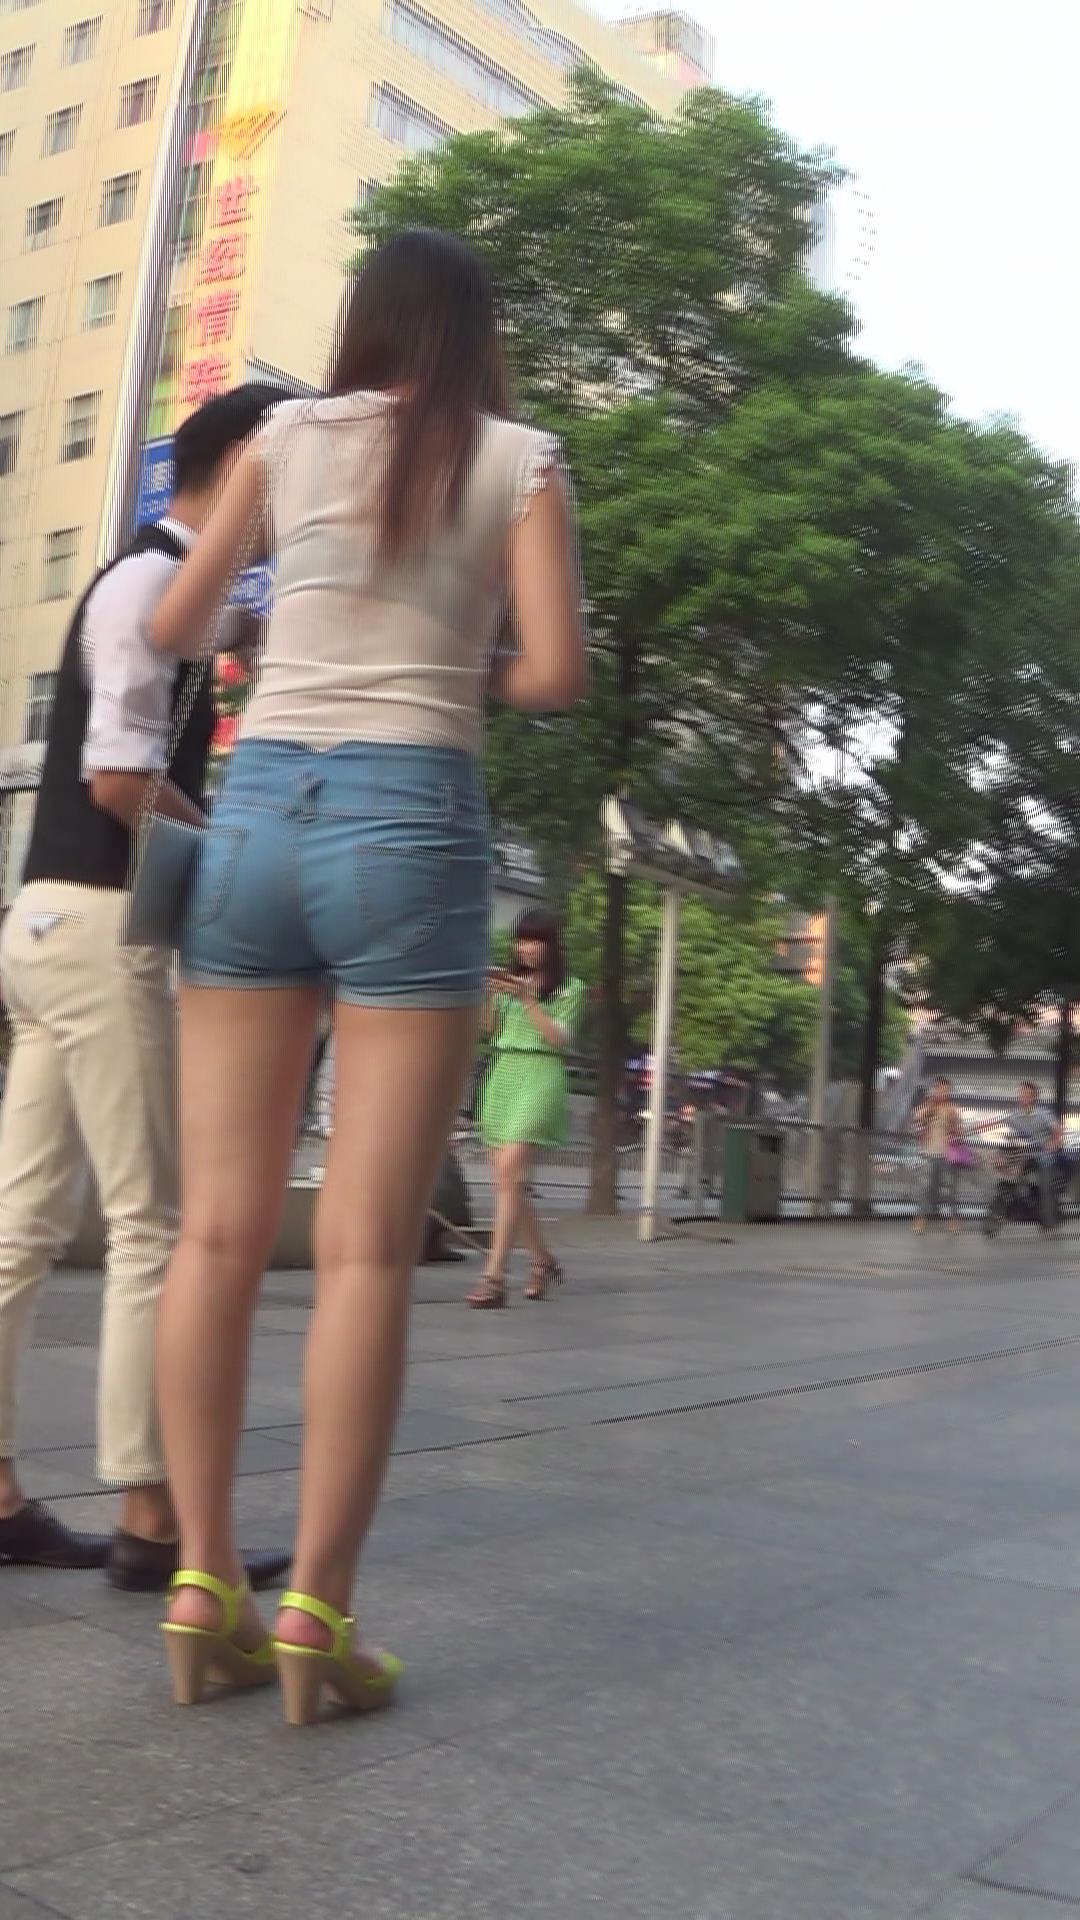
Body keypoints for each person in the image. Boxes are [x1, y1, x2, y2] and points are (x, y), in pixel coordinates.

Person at [148, 227, 586, 1721]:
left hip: (259, 808)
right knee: (363, 1249)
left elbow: (176, 622)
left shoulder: (283, 437)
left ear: (365, 323)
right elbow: (553, 674)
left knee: (214, 1232)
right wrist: (450, 655)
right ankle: (317, 1612)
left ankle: (203, 1578)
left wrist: (282, 624)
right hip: (411, 823)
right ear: (475, 334)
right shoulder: (520, 458)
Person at [0, 387, 289, 1594]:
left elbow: (211, 645)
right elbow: (120, 780)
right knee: (150, 1225)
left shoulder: (167, 589)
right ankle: (149, 1514)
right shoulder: (143, 585)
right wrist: (229, 848)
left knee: (20, 1228)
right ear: (245, 467)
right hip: (102, 924)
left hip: (46, 921)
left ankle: (3, 1499)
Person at [469, 909, 586, 1307]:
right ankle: (541, 1260)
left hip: (540, 1075)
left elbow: (558, 1038)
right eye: (522, 940)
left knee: (509, 1172)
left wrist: (527, 999)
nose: (527, 948)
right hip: (503, 1073)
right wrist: (489, 995)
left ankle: (494, 1276)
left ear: (552, 946)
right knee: (508, 1182)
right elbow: (488, 1031)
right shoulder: (508, 984)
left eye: (536, 940)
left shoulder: (570, 988)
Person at [977, 1081, 1062, 1230]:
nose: (1022, 1097)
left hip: (1042, 1157)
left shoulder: (1044, 1115)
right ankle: (997, 1219)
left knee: (1045, 1186)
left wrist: (1053, 1144)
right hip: (1023, 1157)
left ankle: (1049, 1224)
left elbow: (1057, 1132)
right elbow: (998, 1124)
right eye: (1021, 1094)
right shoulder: (1015, 1116)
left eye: (1026, 1094)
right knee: (1008, 1181)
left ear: (1033, 1097)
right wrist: (977, 1127)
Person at [911, 1076, 964, 1234]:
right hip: (929, 1153)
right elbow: (917, 1120)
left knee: (950, 1189)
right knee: (924, 1188)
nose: (942, 1092)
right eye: (939, 1089)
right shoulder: (928, 1106)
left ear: (949, 1092)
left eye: (945, 1090)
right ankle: (920, 1220)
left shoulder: (952, 1109)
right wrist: (929, 1110)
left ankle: (953, 1221)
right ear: (934, 1090)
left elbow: (961, 1131)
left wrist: (954, 1124)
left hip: (948, 1154)